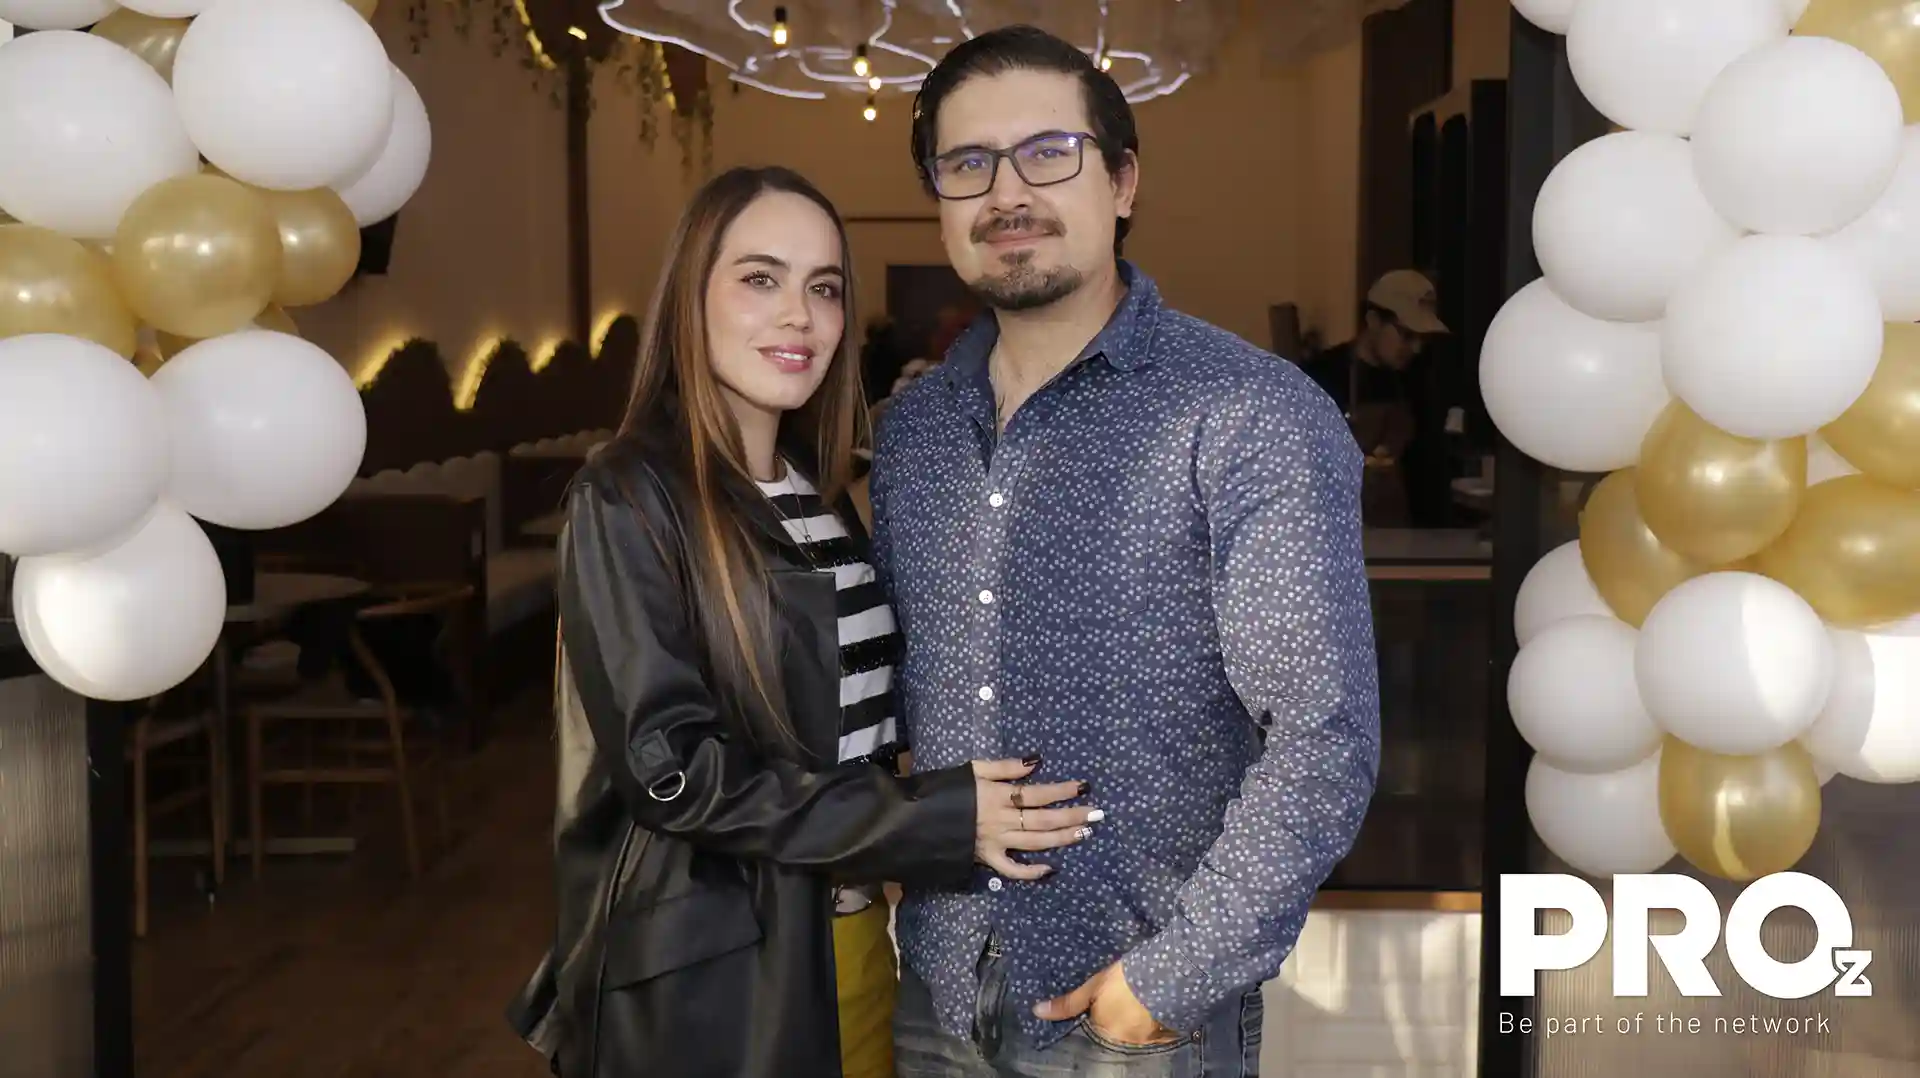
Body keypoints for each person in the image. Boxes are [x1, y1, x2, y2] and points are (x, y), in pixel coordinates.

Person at [505, 166, 1103, 1078]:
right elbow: (674, 773)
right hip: (718, 981)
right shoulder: (629, 494)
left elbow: (846, 726)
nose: (799, 316)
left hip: (852, 942)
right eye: (760, 279)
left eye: (824, 289)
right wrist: (941, 816)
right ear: (690, 297)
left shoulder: (813, 496)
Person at [870, 26, 1382, 1076]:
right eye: (968, 164)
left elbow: (1323, 736)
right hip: (937, 992)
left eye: (1048, 152)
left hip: (1133, 1016)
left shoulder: (1245, 412)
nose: (1007, 191)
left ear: (1123, 182)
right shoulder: (914, 436)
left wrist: (1168, 982)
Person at [1302, 270, 1462, 527]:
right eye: (1407, 335)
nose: (1416, 348)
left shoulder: (1418, 383)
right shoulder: (1320, 377)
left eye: (1423, 339)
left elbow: (1431, 471)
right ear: (1373, 321)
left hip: (1403, 536)